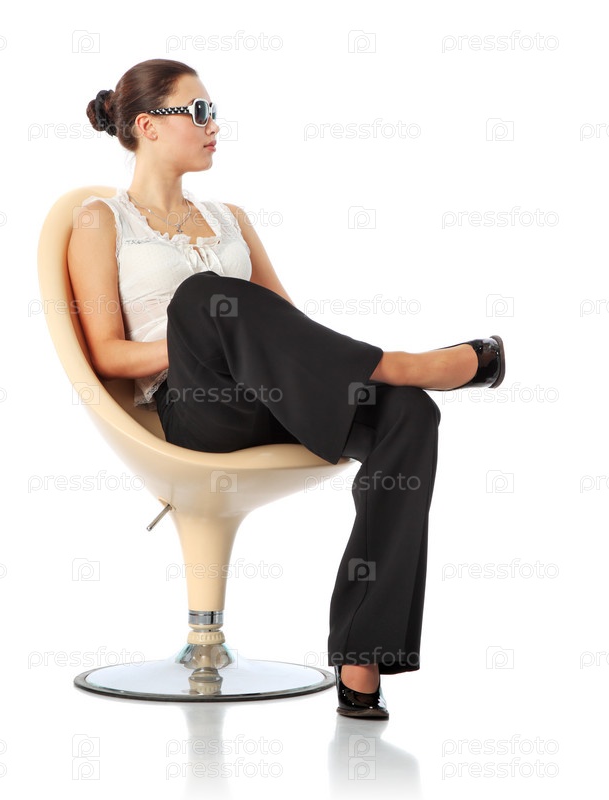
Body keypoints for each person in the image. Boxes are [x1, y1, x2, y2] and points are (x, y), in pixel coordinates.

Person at [68, 58, 506, 719]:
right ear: (148, 126)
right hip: (196, 406)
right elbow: (106, 353)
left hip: (272, 393)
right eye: (200, 112)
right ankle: (402, 363)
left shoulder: (231, 218)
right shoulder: (101, 220)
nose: (215, 126)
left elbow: (287, 328)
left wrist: (250, 338)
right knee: (203, 299)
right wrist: (209, 337)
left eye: (214, 113)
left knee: (408, 415)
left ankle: (362, 655)